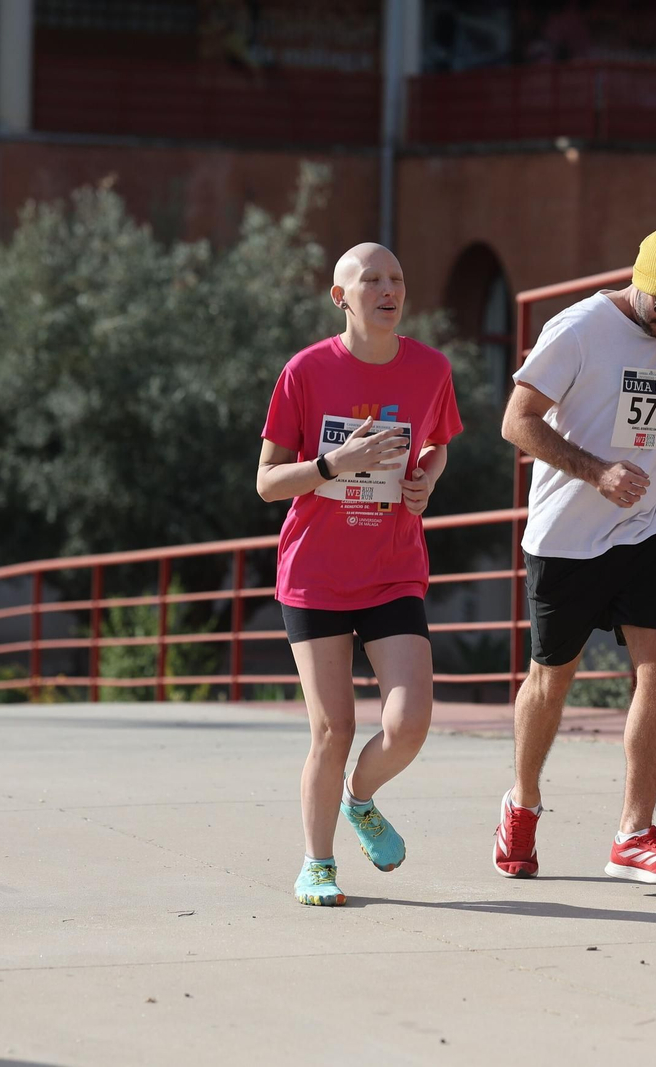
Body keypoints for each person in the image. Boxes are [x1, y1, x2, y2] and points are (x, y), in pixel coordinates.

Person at [494, 223, 656, 886]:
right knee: (552, 680)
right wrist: (595, 472)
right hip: (567, 540)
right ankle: (522, 801)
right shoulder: (578, 330)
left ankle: (634, 832)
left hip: (649, 531)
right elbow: (516, 420)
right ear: (639, 280)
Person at [257, 242, 463, 906]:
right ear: (340, 297)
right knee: (333, 729)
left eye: (397, 278)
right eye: (370, 279)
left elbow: (437, 447)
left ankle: (360, 797)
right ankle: (317, 862)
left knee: (409, 723)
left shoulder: (430, 369)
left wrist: (425, 480)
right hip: (316, 574)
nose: (387, 288)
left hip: (391, 568)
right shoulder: (306, 371)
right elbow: (266, 482)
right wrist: (332, 466)